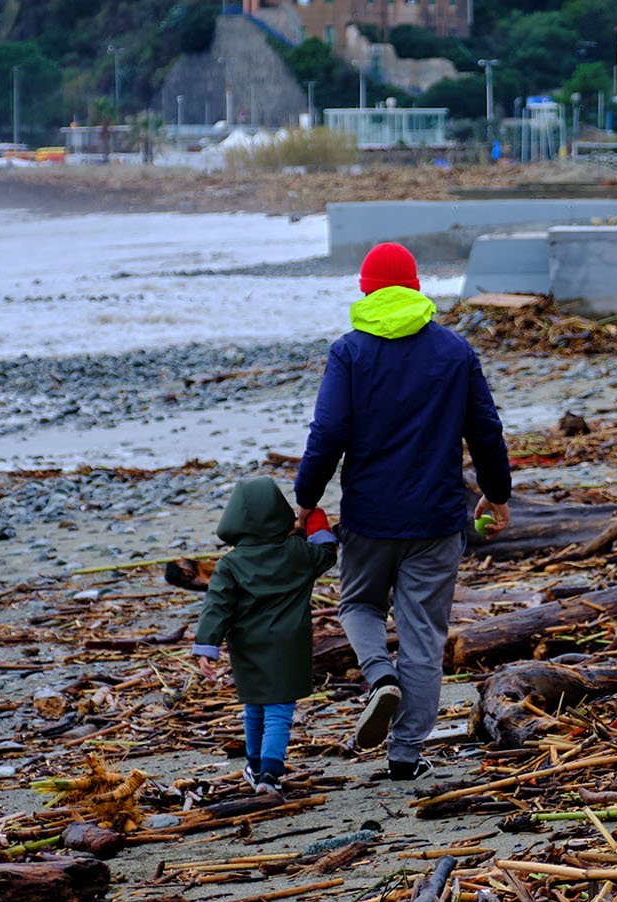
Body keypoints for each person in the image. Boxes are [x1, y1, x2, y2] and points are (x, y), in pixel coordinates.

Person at [294, 241, 513, 780]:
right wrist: (497, 493)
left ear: (365, 289)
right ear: (416, 287)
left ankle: (380, 677)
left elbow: (328, 432)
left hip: (369, 517)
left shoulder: (349, 352)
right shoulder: (454, 351)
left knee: (358, 606)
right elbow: (485, 429)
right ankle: (406, 754)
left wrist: (306, 497)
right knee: (422, 635)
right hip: (437, 519)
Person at [191, 477, 339, 795]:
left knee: (255, 705)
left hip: (248, 647)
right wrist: (314, 516)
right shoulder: (297, 553)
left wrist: (207, 646)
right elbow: (327, 552)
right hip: (289, 646)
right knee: (278, 710)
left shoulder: (230, 564)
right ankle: (269, 775)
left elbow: (217, 606)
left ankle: (256, 766)